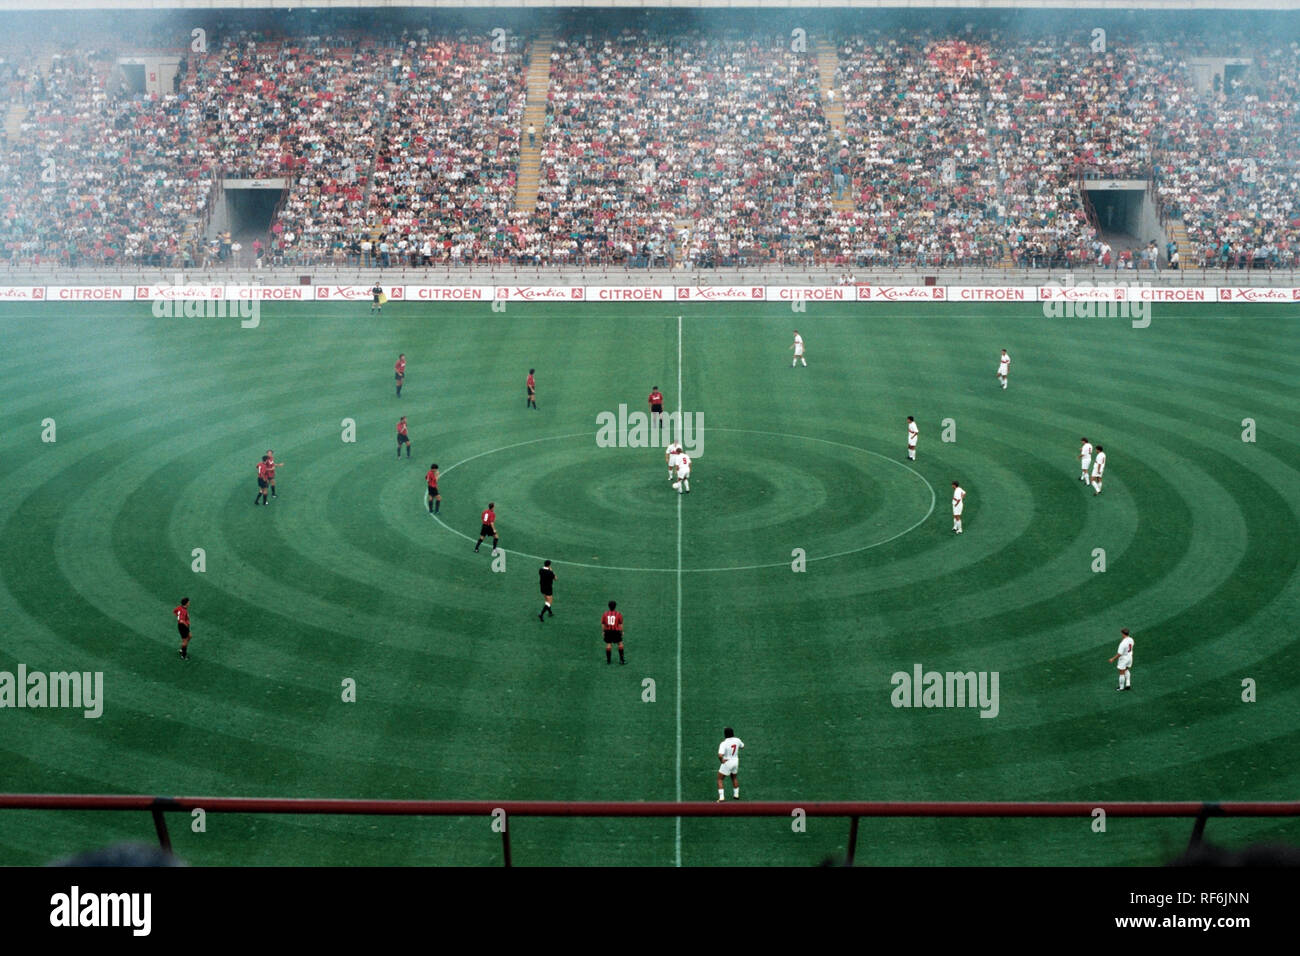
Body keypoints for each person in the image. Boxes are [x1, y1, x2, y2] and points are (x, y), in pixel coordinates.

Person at [717, 727, 744, 802]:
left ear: (725, 734)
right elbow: (742, 746)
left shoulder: (724, 743)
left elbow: (720, 755)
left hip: (727, 762)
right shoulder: (737, 740)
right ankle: (736, 795)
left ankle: (721, 797)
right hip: (735, 762)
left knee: (720, 779)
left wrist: (721, 760)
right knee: (734, 778)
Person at [601, 600, 625, 665]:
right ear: (615, 606)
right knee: (620, 644)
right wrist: (622, 631)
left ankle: (608, 661)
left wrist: (603, 631)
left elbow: (603, 624)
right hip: (616, 631)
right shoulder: (618, 614)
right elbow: (620, 624)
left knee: (608, 644)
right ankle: (622, 660)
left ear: (608, 606)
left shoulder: (605, 614)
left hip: (608, 631)